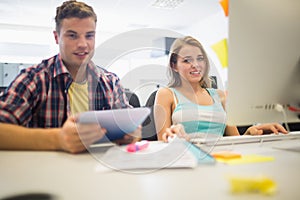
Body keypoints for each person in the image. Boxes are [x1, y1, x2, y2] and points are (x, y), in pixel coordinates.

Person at [0, 0, 141, 153]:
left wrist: (132, 134)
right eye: (72, 36)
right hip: (47, 173)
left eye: (89, 36)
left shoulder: (111, 82)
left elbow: (131, 129)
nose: (83, 44)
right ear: (56, 37)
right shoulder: (34, 79)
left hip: (100, 170)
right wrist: (58, 139)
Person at [154, 36, 287, 142]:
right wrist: (174, 139)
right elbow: (162, 143)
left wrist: (252, 131)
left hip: (221, 160)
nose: (195, 65)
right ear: (174, 66)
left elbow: (235, 140)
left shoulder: (219, 95)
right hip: (185, 161)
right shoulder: (166, 94)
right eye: (187, 60)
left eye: (200, 59)